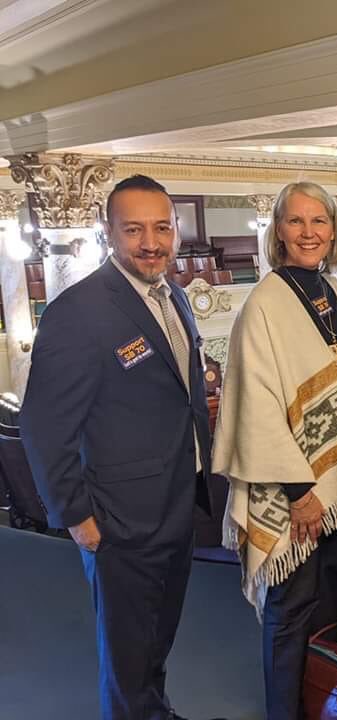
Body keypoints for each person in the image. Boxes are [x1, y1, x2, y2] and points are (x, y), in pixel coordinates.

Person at [20, 174, 219, 720]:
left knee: (157, 636)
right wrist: (77, 518)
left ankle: (155, 710)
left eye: (161, 227)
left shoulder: (175, 295)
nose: (150, 242)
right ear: (109, 232)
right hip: (117, 518)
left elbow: (182, 397)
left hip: (175, 505)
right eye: (134, 229)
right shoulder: (79, 310)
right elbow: (43, 425)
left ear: (176, 231)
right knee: (129, 650)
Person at [212, 181, 337, 720]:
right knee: (292, 609)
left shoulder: (327, 290)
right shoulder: (265, 304)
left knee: (330, 600)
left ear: (334, 230)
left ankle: (326, 704)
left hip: (336, 484)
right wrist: (300, 491)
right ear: (278, 231)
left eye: (319, 221)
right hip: (297, 490)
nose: (309, 232)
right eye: (295, 221)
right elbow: (257, 408)